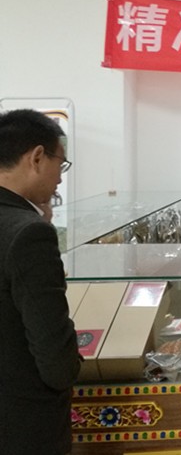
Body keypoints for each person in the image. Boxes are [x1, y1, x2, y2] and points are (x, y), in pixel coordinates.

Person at [0, 109, 82, 455]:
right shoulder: (29, 233)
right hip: (22, 426)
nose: (60, 178)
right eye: (60, 164)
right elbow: (56, 361)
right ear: (36, 157)